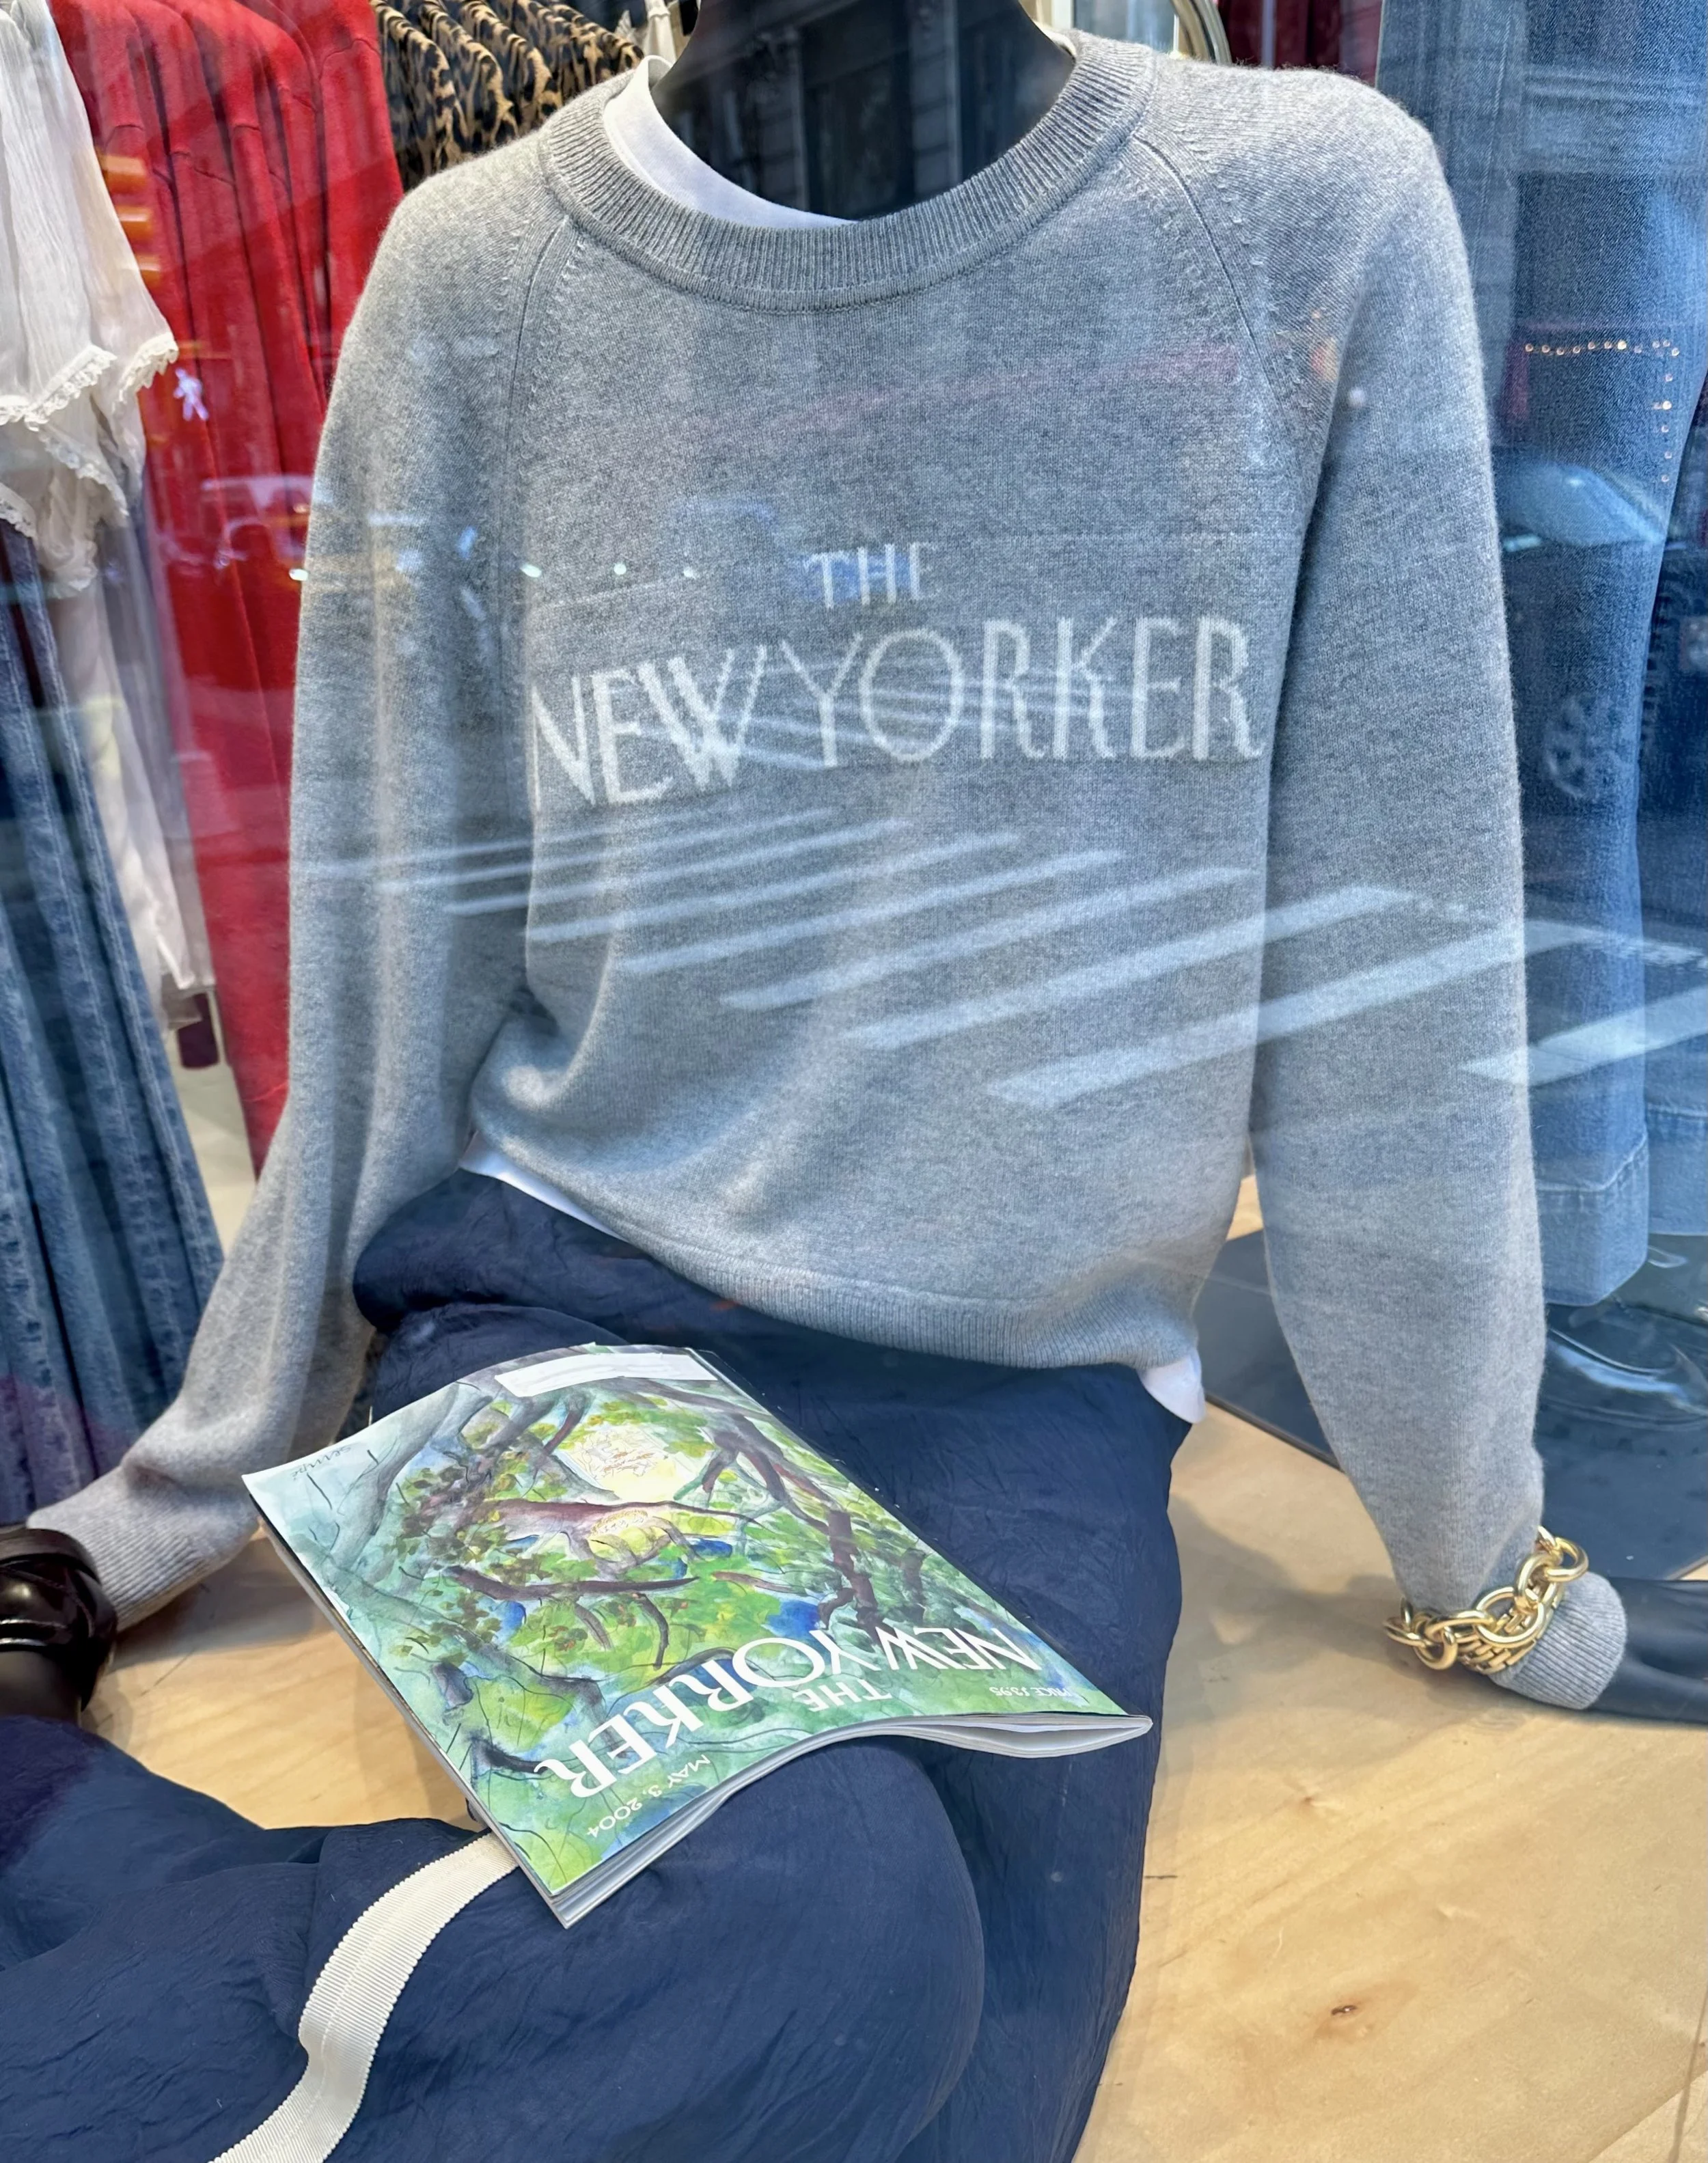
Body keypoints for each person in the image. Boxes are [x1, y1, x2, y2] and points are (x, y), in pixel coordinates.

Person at [5, 14, 1703, 2160]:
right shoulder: (481, 276)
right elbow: (387, 975)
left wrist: (1478, 1544)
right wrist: (151, 1510)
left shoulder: (1302, 210)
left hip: (1022, 1389)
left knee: (913, 2055)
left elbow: (1389, 969)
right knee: (814, 1954)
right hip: (561, 1310)